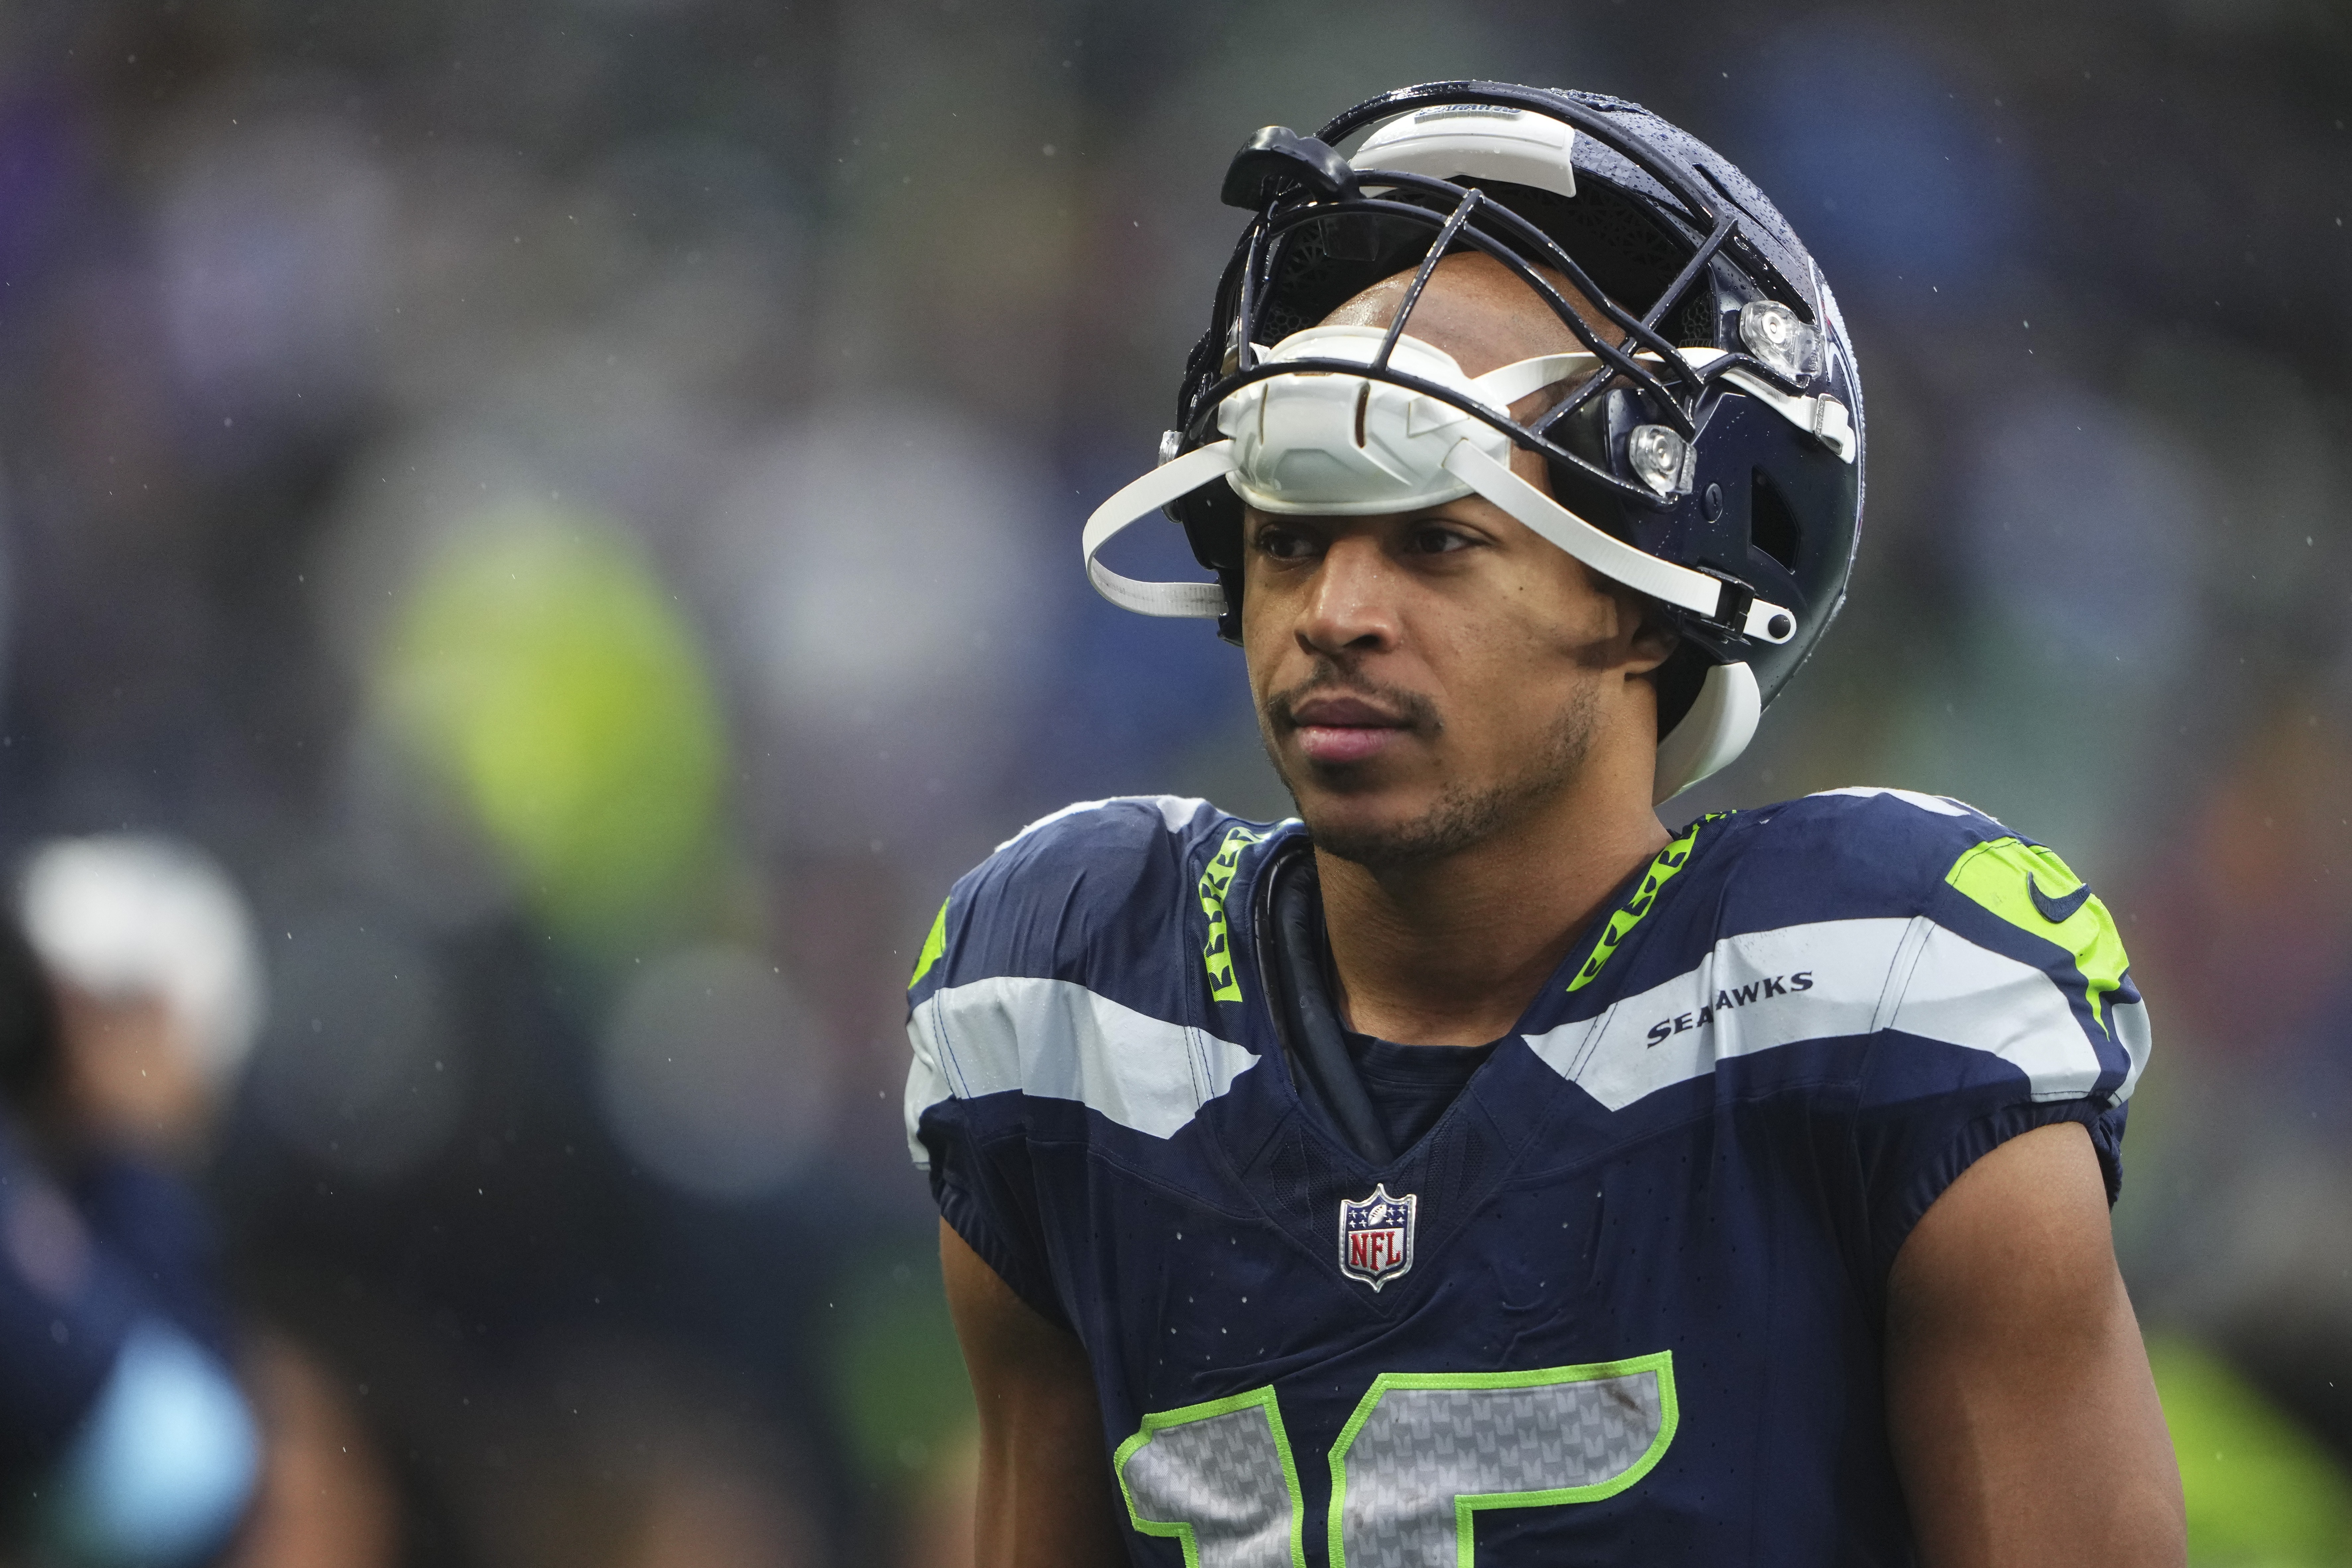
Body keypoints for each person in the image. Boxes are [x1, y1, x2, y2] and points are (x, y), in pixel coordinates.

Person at [905, 83, 2184, 1566]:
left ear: (1646, 600)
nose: (1333, 615)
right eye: (1289, 537)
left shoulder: (1876, 999)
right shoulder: (1069, 996)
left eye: (1434, 540)